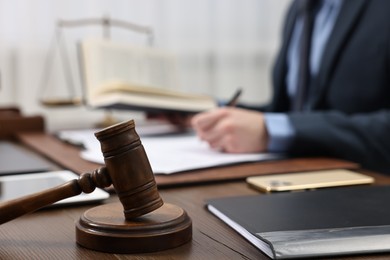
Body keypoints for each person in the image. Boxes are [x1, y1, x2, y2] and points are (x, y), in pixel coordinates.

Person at [190, 0, 390, 174]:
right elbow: (290, 113)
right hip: (304, 175)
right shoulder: (300, 9)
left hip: (370, 185)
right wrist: (211, 111)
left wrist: (269, 131)